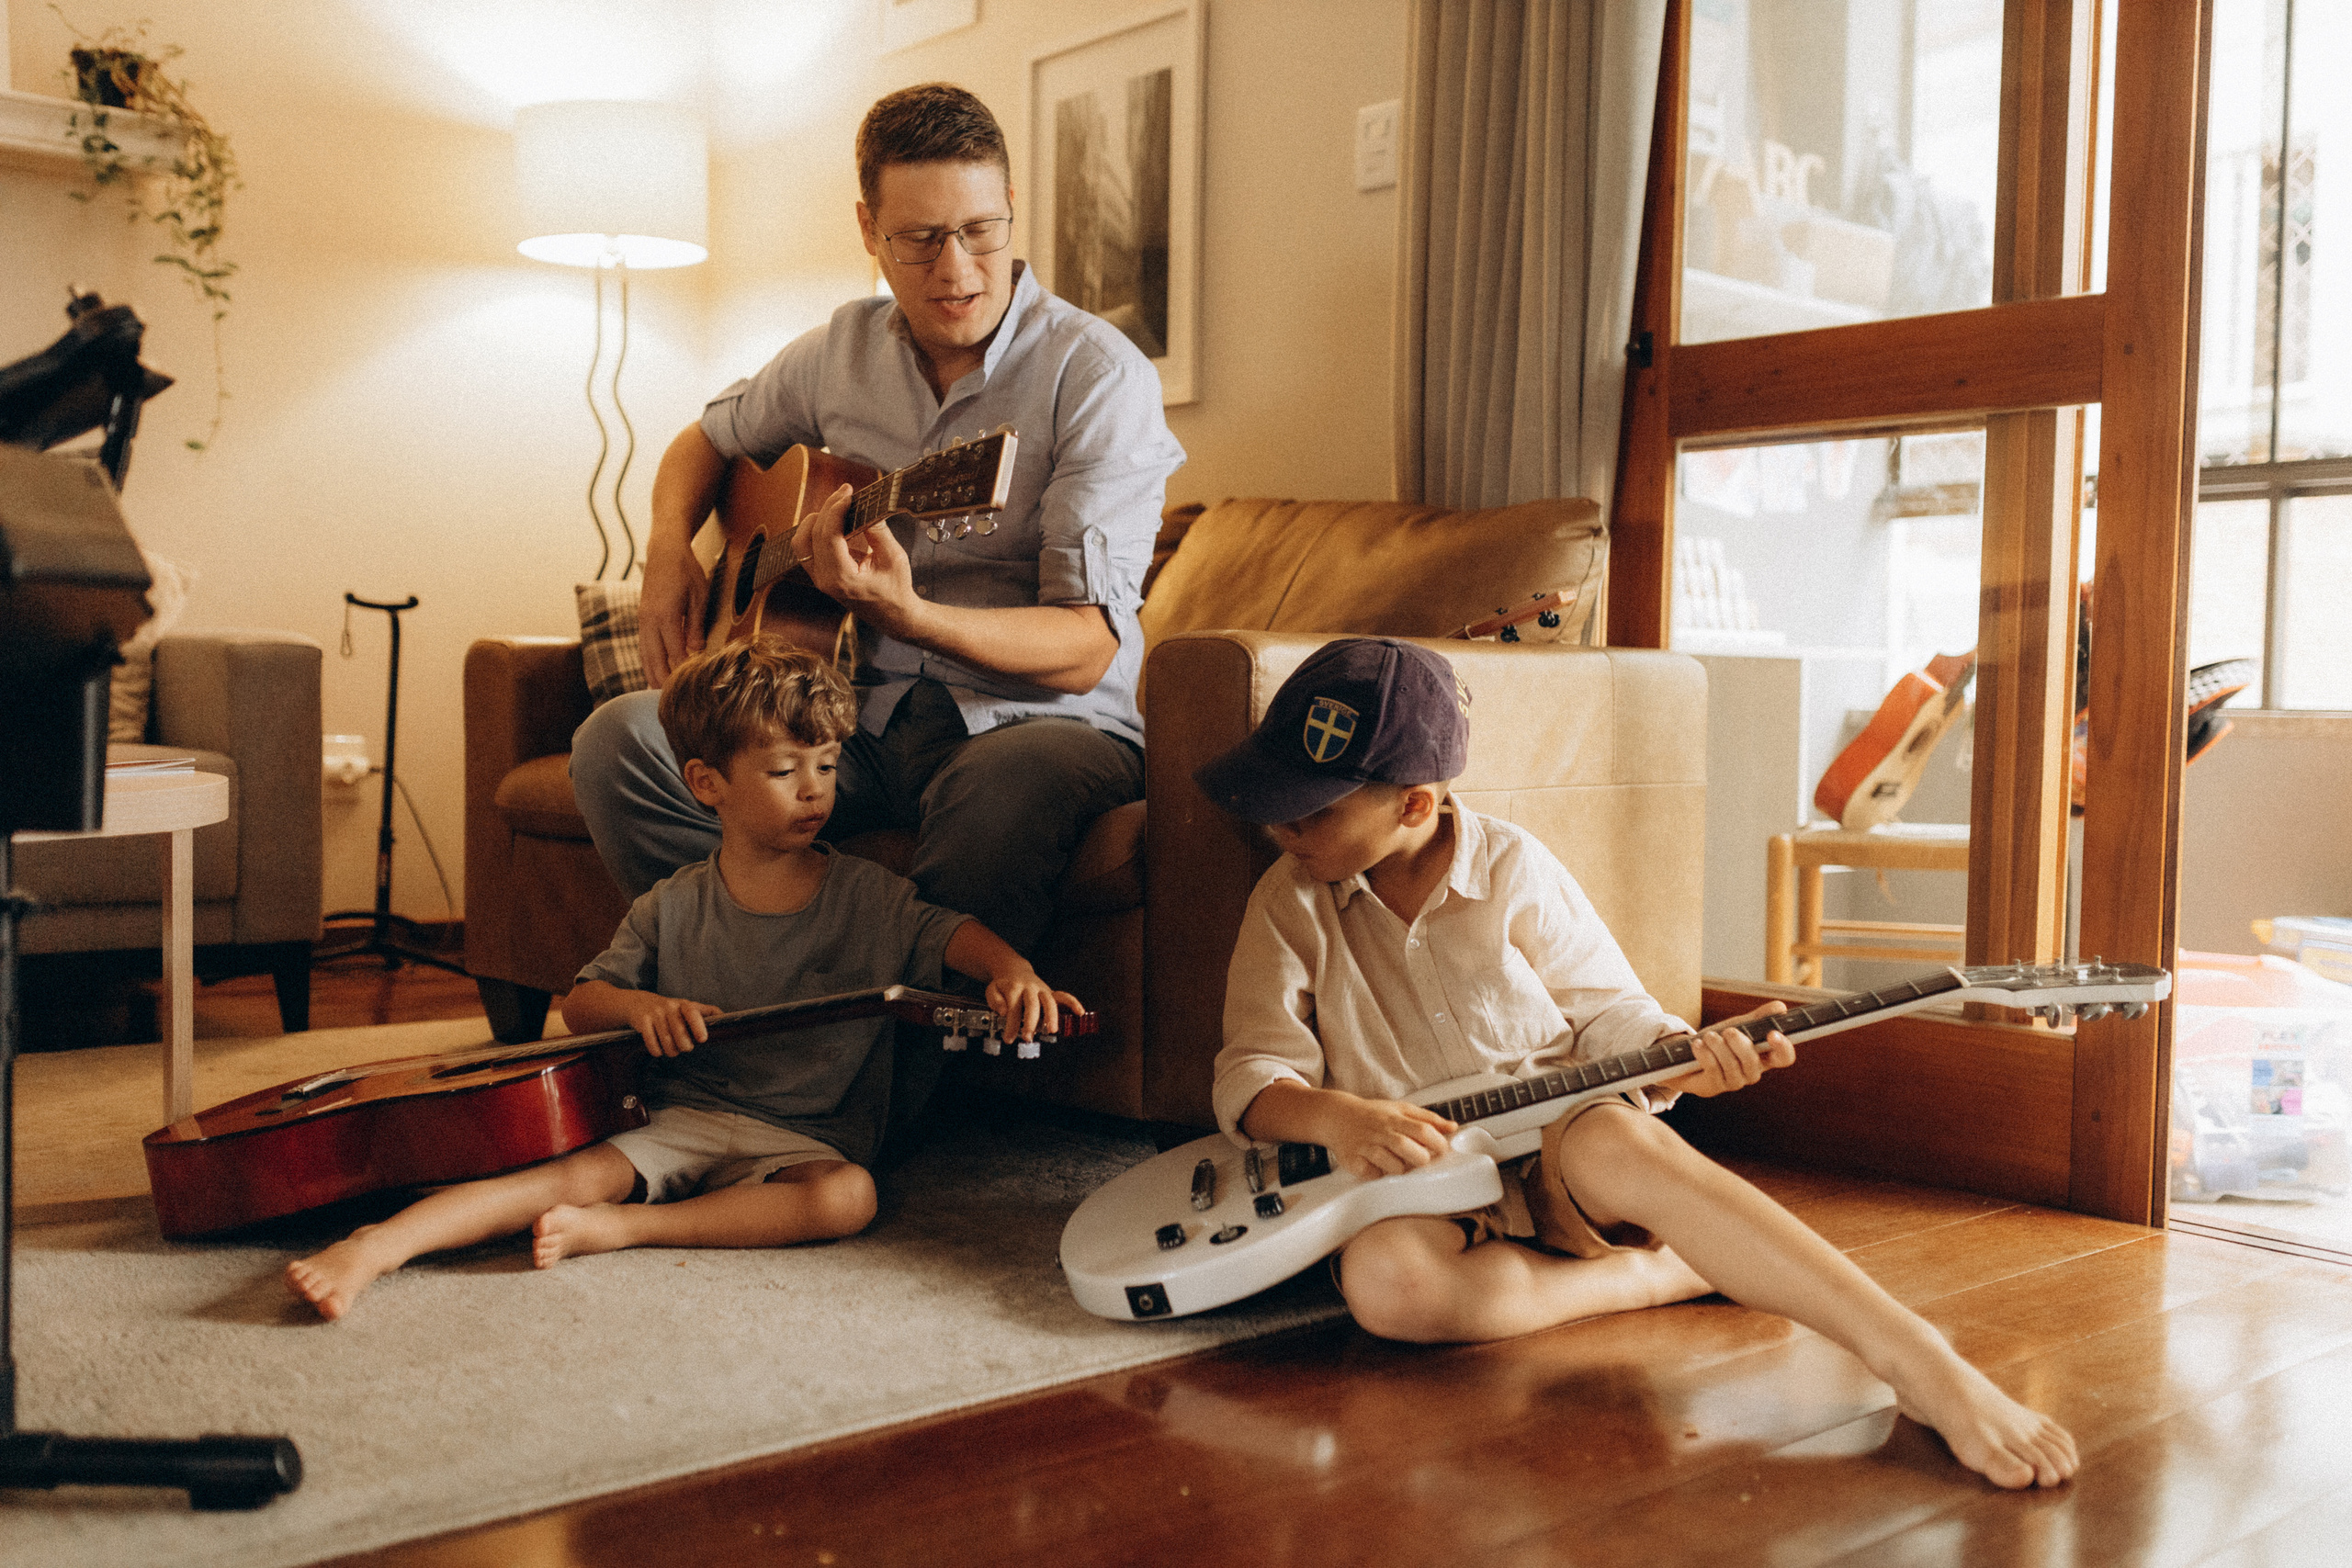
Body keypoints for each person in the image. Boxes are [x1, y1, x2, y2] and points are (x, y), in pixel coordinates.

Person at [1195, 637, 2079, 1491]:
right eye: (1279, 799)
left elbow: (1610, 1015)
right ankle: (1656, 1272)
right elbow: (1252, 1075)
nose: (1281, 826)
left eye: (1312, 809)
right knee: (1386, 1289)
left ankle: (1915, 1357)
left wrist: (1680, 1061)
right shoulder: (1288, 902)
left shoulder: (1514, 868)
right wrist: (1337, 1119)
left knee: (1614, 1140)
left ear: (1416, 805)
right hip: (1418, 1179)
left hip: (1566, 1137)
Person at [571, 81, 1183, 964]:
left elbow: (1087, 645)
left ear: (1011, 207)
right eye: (921, 239)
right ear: (868, 230)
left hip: (1040, 723)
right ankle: (757, 1002)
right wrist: (668, 547)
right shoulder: (839, 352)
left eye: (980, 231)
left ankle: (904, 1088)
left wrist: (908, 612)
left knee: (1002, 792)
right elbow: (704, 439)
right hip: (857, 715)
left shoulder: (1095, 376)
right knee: (622, 742)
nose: (958, 270)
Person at [286, 641, 1076, 1321]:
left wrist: (1012, 971)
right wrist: (640, 1008)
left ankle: (627, 1228)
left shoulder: (867, 893)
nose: (815, 789)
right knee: (565, 1174)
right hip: (683, 1113)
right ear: (706, 784)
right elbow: (583, 1003)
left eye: (828, 765)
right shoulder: (674, 903)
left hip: (810, 1137)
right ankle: (380, 1244)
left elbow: (951, 935)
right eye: (783, 769)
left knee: (849, 1198)